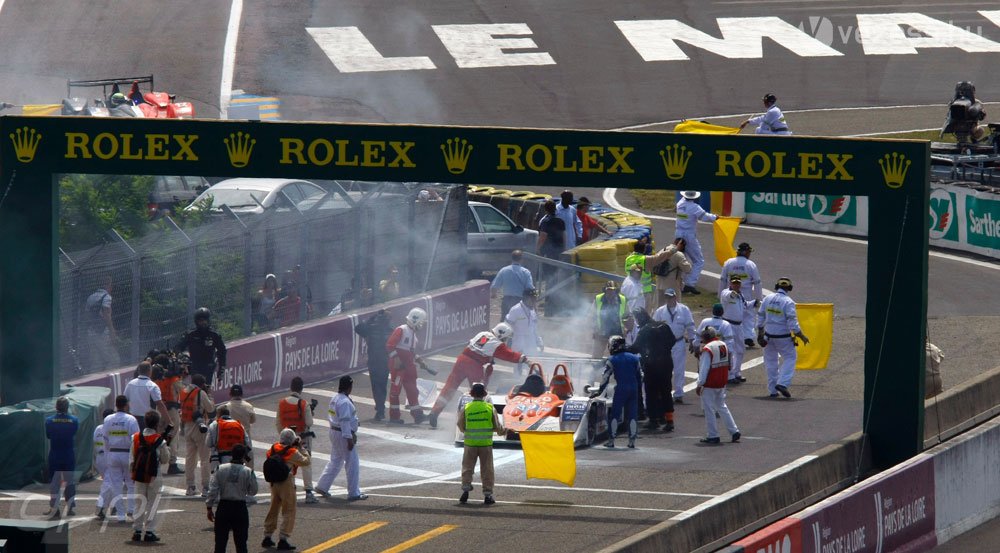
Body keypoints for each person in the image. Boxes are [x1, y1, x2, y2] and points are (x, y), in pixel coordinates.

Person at [428, 323, 528, 428]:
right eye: (506, 338)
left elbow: (479, 347)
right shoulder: (497, 344)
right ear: (501, 335)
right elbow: (509, 355)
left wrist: (489, 358)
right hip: (474, 366)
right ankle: (479, 418)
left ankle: (435, 411)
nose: (506, 341)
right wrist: (524, 359)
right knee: (479, 394)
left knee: (449, 387)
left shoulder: (483, 334)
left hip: (462, 359)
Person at [315, 375, 366, 502]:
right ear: (349, 386)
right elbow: (344, 421)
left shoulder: (335, 398)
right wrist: (349, 438)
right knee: (352, 462)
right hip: (343, 434)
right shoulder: (344, 402)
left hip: (334, 432)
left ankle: (322, 486)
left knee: (336, 461)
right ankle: (353, 493)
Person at [757, 277, 809, 398]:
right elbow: (793, 323)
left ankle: (772, 391)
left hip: (768, 336)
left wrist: (759, 334)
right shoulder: (788, 302)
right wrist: (801, 336)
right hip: (783, 337)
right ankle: (783, 383)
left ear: (776, 287)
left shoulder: (768, 298)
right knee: (790, 358)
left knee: (771, 362)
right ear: (789, 288)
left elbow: (760, 316)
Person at [628, 310, 677, 432]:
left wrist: (622, 349)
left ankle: (653, 420)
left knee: (651, 393)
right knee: (666, 391)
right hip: (666, 363)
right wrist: (664, 351)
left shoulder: (644, 330)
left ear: (640, 318)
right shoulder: (664, 326)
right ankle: (669, 420)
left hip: (652, 365)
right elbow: (673, 340)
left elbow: (635, 348)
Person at [262, 428, 311, 550]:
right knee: (289, 510)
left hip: (274, 483)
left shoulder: (272, 449)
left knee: (273, 508)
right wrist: (301, 447)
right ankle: (283, 538)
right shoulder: (292, 452)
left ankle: (267, 536)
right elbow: (306, 461)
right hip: (286, 483)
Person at [590, 336, 643, 448]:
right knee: (632, 414)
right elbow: (640, 376)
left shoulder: (612, 359)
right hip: (634, 388)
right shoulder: (635, 358)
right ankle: (632, 441)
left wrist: (600, 390)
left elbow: (605, 377)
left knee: (615, 413)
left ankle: (611, 440)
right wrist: (638, 389)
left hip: (621, 388)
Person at [457, 382, 505, 505]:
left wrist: (468, 431)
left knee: (467, 468)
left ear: (472, 394)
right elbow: (497, 427)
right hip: (485, 445)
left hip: (470, 444)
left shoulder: (466, 408)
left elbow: (460, 425)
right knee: (487, 470)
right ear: (484, 394)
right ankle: (488, 495)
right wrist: (505, 431)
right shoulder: (489, 408)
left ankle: (466, 491)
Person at [206, 443, 258, 553]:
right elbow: (253, 491)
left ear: (231, 454)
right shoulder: (248, 471)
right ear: (244, 456)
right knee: (241, 544)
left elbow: (213, 490)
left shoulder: (220, 468)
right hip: (240, 508)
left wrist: (209, 507)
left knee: (220, 543)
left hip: (224, 507)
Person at [129, 410, 171, 543]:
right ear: (157, 423)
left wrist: (134, 472)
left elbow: (131, 458)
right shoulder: (160, 440)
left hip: (139, 474)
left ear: (145, 422)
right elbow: (165, 459)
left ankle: (137, 530)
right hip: (154, 474)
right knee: (153, 503)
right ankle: (149, 531)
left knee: (139, 502)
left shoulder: (135, 437)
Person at [696, 327, 741, 444]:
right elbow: (730, 360)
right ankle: (734, 430)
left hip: (710, 382)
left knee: (709, 409)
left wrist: (700, 383)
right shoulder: (723, 344)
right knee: (722, 406)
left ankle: (713, 435)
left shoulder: (708, 349)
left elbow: (704, 368)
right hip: (722, 380)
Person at [276, 376, 318, 504]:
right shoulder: (304, 404)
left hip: (286, 437)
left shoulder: (282, 403)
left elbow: (278, 422)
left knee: (289, 463)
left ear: (291, 387)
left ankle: (289, 490)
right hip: (302, 438)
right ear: (301, 389)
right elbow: (309, 422)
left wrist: (284, 435)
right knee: (306, 463)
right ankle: (308, 492)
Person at [386, 307, 428, 424]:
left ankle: (418, 415)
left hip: (408, 367)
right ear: (416, 321)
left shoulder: (413, 335)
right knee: (395, 391)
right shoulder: (402, 330)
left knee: (413, 391)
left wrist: (419, 360)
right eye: (421, 323)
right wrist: (397, 358)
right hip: (399, 368)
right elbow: (390, 345)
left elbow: (411, 352)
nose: (422, 325)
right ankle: (394, 417)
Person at [653, 289, 696, 404]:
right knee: (663, 369)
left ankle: (678, 393)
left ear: (675, 297)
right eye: (667, 297)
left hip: (678, 342)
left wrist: (692, 341)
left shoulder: (684, 310)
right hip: (664, 345)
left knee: (679, 369)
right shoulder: (660, 311)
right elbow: (653, 328)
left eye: (671, 297)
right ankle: (663, 392)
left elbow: (690, 326)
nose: (669, 299)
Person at [719, 242, 763, 348]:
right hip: (746, 295)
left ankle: (729, 335)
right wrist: (759, 299)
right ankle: (747, 337)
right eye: (749, 252)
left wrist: (720, 296)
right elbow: (757, 282)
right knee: (748, 316)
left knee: (729, 315)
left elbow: (723, 280)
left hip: (729, 295)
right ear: (746, 252)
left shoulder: (728, 263)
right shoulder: (751, 265)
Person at [104, 395, 139, 523]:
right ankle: (131, 510)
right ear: (126, 405)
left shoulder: (108, 419)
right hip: (127, 454)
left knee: (116, 485)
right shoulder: (131, 419)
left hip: (113, 453)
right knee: (130, 484)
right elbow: (136, 439)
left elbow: (105, 438)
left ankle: (120, 515)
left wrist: (109, 453)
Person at [675, 191, 718, 295]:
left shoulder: (679, 203)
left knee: (680, 259)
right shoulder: (694, 207)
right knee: (699, 261)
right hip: (689, 235)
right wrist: (715, 217)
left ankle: (677, 283)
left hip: (678, 233)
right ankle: (690, 284)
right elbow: (705, 217)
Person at [180, 374, 215, 497]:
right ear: (201, 384)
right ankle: (205, 487)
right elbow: (210, 409)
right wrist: (209, 395)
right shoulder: (201, 393)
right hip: (199, 427)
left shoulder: (184, 391)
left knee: (190, 458)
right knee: (205, 458)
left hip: (187, 426)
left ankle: (190, 486)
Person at [355, 309, 393, 421]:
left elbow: (358, 328)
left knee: (377, 387)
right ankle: (380, 409)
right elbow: (358, 328)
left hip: (376, 361)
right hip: (383, 362)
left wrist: (372, 318)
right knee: (382, 386)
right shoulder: (390, 329)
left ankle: (380, 410)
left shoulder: (371, 328)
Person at [45, 396, 79, 517]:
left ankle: (55, 508)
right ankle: (70, 507)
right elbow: (74, 433)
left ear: (56, 407)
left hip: (55, 454)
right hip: (68, 454)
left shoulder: (49, 420)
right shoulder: (74, 420)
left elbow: (48, 435)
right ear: (67, 407)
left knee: (55, 483)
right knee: (69, 481)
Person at [174, 307, 227, 385]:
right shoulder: (191, 334)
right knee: (196, 387)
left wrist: (221, 368)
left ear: (208, 320)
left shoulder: (214, 335)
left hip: (208, 366)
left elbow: (222, 351)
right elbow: (178, 347)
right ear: (196, 321)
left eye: (205, 320)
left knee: (206, 386)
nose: (203, 323)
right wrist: (182, 357)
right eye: (200, 321)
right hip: (195, 365)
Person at [624, 238, 679, 309]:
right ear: (644, 250)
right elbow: (659, 257)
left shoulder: (628, 259)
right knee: (646, 312)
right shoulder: (645, 259)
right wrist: (672, 250)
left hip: (631, 290)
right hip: (644, 291)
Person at [153, 361, 184, 474]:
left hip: (160, 410)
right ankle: (172, 464)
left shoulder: (159, 379)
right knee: (173, 436)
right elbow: (185, 392)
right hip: (171, 411)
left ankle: (156, 461)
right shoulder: (175, 381)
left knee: (159, 436)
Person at [83, 277, 120, 371]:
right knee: (113, 360)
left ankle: (94, 383)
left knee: (96, 362)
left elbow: (86, 315)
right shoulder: (106, 297)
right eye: (111, 285)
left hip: (91, 331)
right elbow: (106, 313)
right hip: (103, 332)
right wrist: (112, 331)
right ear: (108, 285)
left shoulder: (91, 297)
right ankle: (111, 383)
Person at [505, 288, 543, 376]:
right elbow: (507, 327)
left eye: (535, 299)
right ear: (526, 298)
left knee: (532, 367)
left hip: (531, 343)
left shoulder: (532, 311)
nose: (534, 302)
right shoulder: (515, 310)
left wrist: (539, 341)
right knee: (518, 369)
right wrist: (508, 343)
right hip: (519, 342)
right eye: (532, 299)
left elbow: (534, 328)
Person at [719, 278, 750, 383]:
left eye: (738, 283)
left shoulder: (741, 295)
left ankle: (736, 372)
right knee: (730, 350)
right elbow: (728, 296)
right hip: (729, 324)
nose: (736, 285)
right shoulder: (726, 293)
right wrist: (733, 292)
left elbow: (745, 305)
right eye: (734, 283)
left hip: (739, 326)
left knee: (740, 350)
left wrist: (754, 303)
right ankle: (729, 375)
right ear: (730, 284)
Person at [123, 363, 168, 431]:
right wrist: (169, 421)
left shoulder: (130, 384)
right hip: (148, 420)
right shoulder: (152, 386)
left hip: (132, 419)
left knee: (134, 440)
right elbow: (160, 404)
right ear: (150, 371)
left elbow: (124, 401)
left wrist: (127, 416)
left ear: (139, 371)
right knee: (149, 440)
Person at [491, 250, 535, 318]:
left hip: (507, 300)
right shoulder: (526, 272)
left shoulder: (504, 270)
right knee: (519, 322)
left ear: (512, 258)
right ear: (521, 259)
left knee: (505, 322)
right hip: (520, 301)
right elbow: (530, 288)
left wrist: (493, 294)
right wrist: (533, 302)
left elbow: (495, 286)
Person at [207, 405, 252, 473]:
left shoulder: (214, 425)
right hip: (237, 460)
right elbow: (247, 442)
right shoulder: (239, 425)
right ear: (228, 414)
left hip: (220, 460)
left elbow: (208, 443)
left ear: (218, 414)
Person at [652, 238, 692, 308]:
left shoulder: (662, 251)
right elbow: (687, 269)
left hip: (659, 284)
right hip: (672, 286)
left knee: (658, 308)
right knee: (674, 307)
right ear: (681, 245)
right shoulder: (679, 255)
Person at [218, 385, 257, 456]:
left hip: (229, 440)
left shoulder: (225, 407)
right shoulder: (249, 406)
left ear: (230, 394)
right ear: (242, 394)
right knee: (249, 461)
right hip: (245, 439)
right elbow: (253, 420)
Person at [593, 281, 628, 358]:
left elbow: (627, 315)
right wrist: (595, 329)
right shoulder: (598, 299)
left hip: (617, 331)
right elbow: (592, 315)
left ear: (616, 291)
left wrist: (625, 328)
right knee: (597, 355)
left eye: (612, 290)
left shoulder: (622, 299)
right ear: (605, 291)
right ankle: (595, 369)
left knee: (618, 354)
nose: (610, 293)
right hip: (602, 330)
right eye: (608, 290)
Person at [93, 408, 115, 520]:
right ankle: (100, 507)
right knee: (108, 483)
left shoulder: (98, 428)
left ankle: (114, 505)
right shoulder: (111, 429)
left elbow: (94, 442)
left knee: (111, 482)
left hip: (99, 458)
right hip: (108, 457)